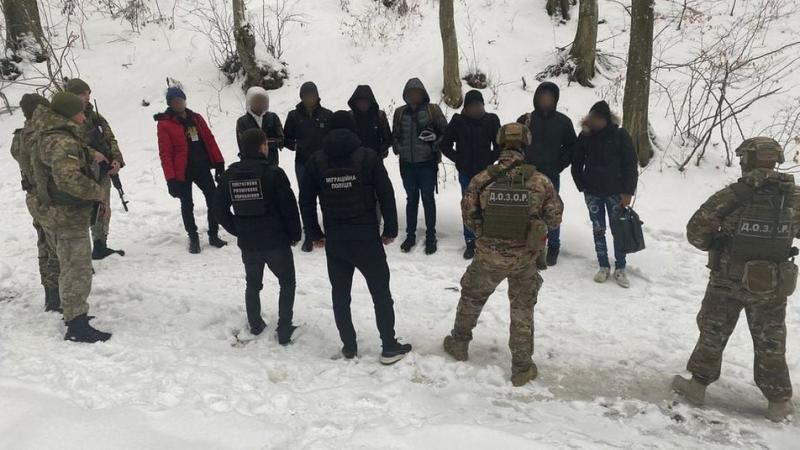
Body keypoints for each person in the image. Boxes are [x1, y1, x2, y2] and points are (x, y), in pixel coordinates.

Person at [673, 137, 798, 422]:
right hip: (770, 284)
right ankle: (778, 402)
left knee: (713, 332)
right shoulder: (793, 196)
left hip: (727, 280)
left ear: (747, 160)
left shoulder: (733, 195)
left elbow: (696, 232)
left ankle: (697, 388)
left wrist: (717, 241)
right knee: (771, 340)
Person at [442, 123, 562, 386]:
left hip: (488, 257)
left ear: (499, 143)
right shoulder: (540, 181)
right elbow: (554, 219)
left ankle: (459, 344)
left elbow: (468, 215)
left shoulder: (482, 179)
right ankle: (522, 368)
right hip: (525, 259)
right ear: (526, 144)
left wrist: (485, 236)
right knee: (522, 310)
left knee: (471, 298)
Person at [299, 110, 412, 365]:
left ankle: (349, 346)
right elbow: (386, 193)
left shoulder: (317, 161)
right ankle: (389, 346)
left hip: (336, 241)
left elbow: (305, 200)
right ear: (353, 130)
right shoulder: (368, 157)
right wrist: (390, 229)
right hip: (367, 238)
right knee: (380, 293)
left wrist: (314, 233)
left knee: (341, 295)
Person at [31, 92, 112, 342]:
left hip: (59, 214)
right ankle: (76, 325)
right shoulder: (61, 141)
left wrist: (90, 154)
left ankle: (73, 314)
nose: (84, 117)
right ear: (68, 113)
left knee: (70, 266)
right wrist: (98, 193)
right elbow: (68, 179)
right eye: (79, 112)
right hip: (68, 217)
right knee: (77, 269)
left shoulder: (51, 135)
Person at [213, 129, 302, 343]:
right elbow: (289, 208)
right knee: (287, 282)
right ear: (263, 146)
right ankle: (284, 328)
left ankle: (255, 324)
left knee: (253, 284)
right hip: (275, 241)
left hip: (249, 242)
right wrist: (295, 234)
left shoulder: (230, 175)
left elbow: (218, 209)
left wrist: (237, 228)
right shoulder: (274, 173)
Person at [570, 101, 638, 288]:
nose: (596, 122)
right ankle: (603, 266)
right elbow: (576, 162)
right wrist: (582, 185)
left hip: (616, 193)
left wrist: (628, 192)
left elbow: (630, 164)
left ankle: (620, 267)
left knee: (619, 230)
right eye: (594, 118)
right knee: (598, 229)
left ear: (607, 119)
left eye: (600, 118)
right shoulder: (585, 136)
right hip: (592, 192)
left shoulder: (620, 135)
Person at [155, 87, 228, 253]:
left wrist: (219, 162)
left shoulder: (196, 118)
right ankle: (193, 237)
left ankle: (213, 234)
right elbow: (165, 153)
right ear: (170, 104)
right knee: (187, 203)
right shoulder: (165, 124)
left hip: (201, 166)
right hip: (182, 171)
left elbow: (209, 139)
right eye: (175, 101)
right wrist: (170, 179)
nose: (179, 103)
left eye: (181, 100)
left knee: (214, 199)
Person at [65, 78, 126, 260]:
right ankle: (79, 254)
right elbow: (69, 145)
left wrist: (116, 160)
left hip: (102, 170)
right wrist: (92, 154)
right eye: (82, 94)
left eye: (88, 93)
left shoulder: (95, 116)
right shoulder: (66, 119)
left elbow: (110, 138)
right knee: (83, 212)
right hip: (80, 172)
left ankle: (100, 244)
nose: (87, 97)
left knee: (103, 208)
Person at [10, 93, 61, 312]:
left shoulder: (19, 137)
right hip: (48, 197)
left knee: (43, 242)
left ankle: (50, 292)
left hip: (32, 197)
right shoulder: (40, 134)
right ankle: (59, 294)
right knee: (56, 245)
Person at [517, 82, 577, 266]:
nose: (545, 100)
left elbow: (572, 147)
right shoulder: (525, 120)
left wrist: (560, 164)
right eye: (542, 97)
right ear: (536, 98)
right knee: (527, 211)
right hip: (527, 176)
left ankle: (553, 246)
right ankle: (531, 246)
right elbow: (514, 143)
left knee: (552, 211)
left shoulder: (563, 122)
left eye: (549, 97)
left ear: (555, 100)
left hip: (551, 176)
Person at [441, 89, 501, 259]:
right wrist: (458, 159)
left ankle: (486, 241)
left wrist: (491, 159)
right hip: (466, 173)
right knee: (469, 208)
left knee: (487, 208)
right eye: (472, 106)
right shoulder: (458, 121)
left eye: (478, 105)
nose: (476, 108)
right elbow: (445, 144)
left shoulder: (491, 120)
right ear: (466, 108)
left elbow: (500, 144)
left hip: (486, 174)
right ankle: (470, 242)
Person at [392, 78, 447, 255]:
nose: (413, 95)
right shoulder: (400, 113)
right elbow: (394, 136)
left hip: (427, 164)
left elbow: (446, 133)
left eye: (417, 92)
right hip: (406, 164)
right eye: (410, 92)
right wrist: (398, 148)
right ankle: (410, 235)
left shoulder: (433, 110)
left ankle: (431, 236)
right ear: (405, 94)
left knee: (428, 199)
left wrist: (434, 144)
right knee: (411, 200)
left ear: (423, 93)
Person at [283, 81, 334, 252]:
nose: (309, 98)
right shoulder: (294, 116)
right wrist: (296, 145)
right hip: (303, 163)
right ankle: (310, 234)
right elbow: (286, 139)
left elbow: (333, 137)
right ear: (301, 97)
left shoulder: (327, 115)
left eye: (312, 95)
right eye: (306, 95)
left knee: (327, 198)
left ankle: (330, 232)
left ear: (317, 96)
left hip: (324, 164)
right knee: (306, 200)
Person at [235, 86, 284, 166]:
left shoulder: (273, 117)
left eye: (262, 101)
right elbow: (243, 146)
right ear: (249, 102)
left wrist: (263, 143)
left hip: (272, 162)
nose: (259, 104)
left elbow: (281, 140)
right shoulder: (242, 121)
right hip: (251, 164)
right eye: (256, 101)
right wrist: (265, 143)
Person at [347, 85, 392, 158]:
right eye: (359, 102)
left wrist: (380, 151)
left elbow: (388, 138)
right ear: (355, 103)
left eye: (365, 102)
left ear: (371, 102)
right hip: (355, 159)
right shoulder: (349, 117)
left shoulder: (379, 116)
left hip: (375, 158)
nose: (362, 105)